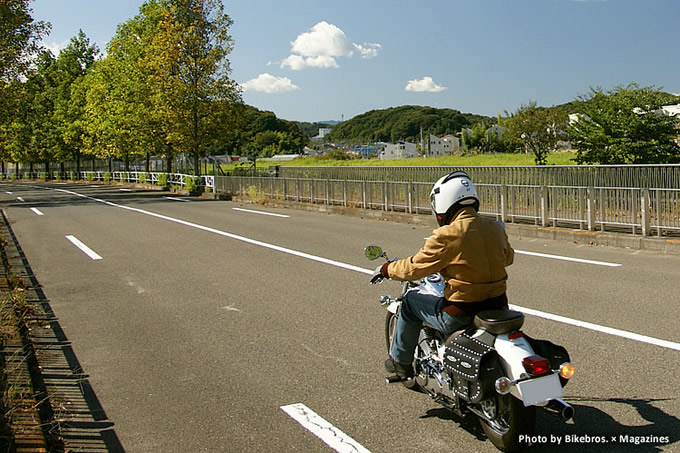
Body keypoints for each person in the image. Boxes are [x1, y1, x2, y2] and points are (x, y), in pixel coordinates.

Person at [370, 171, 514, 378]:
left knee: (410, 301)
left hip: (460, 314)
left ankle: (400, 363)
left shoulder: (447, 234)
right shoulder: (495, 228)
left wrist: (386, 269)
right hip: (498, 307)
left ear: (443, 201)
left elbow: (414, 268)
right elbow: (507, 258)